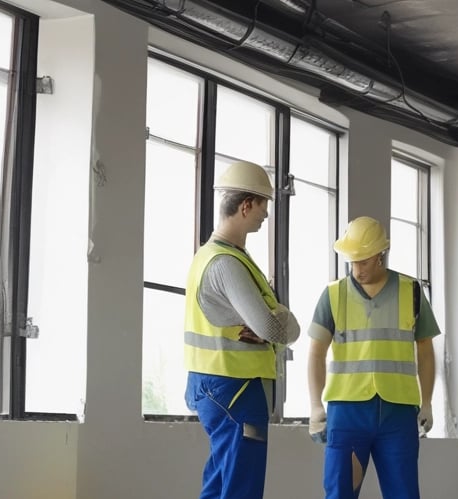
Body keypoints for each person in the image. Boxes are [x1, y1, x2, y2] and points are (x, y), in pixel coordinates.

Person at [183, 160, 301, 499]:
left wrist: (275, 320)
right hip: (233, 387)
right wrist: (278, 319)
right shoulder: (226, 263)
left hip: (217, 385)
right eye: (264, 205)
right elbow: (272, 325)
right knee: (241, 487)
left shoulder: (215, 257)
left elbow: (272, 323)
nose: (266, 214)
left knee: (221, 482)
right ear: (246, 205)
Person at [307, 216, 441, 499]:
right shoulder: (333, 295)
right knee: (339, 493)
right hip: (347, 412)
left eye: (364, 261)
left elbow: (426, 351)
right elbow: (316, 353)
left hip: (398, 412)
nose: (357, 270)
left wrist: (427, 402)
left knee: (404, 494)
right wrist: (315, 406)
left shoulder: (411, 291)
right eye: (352, 262)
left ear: (381, 255)